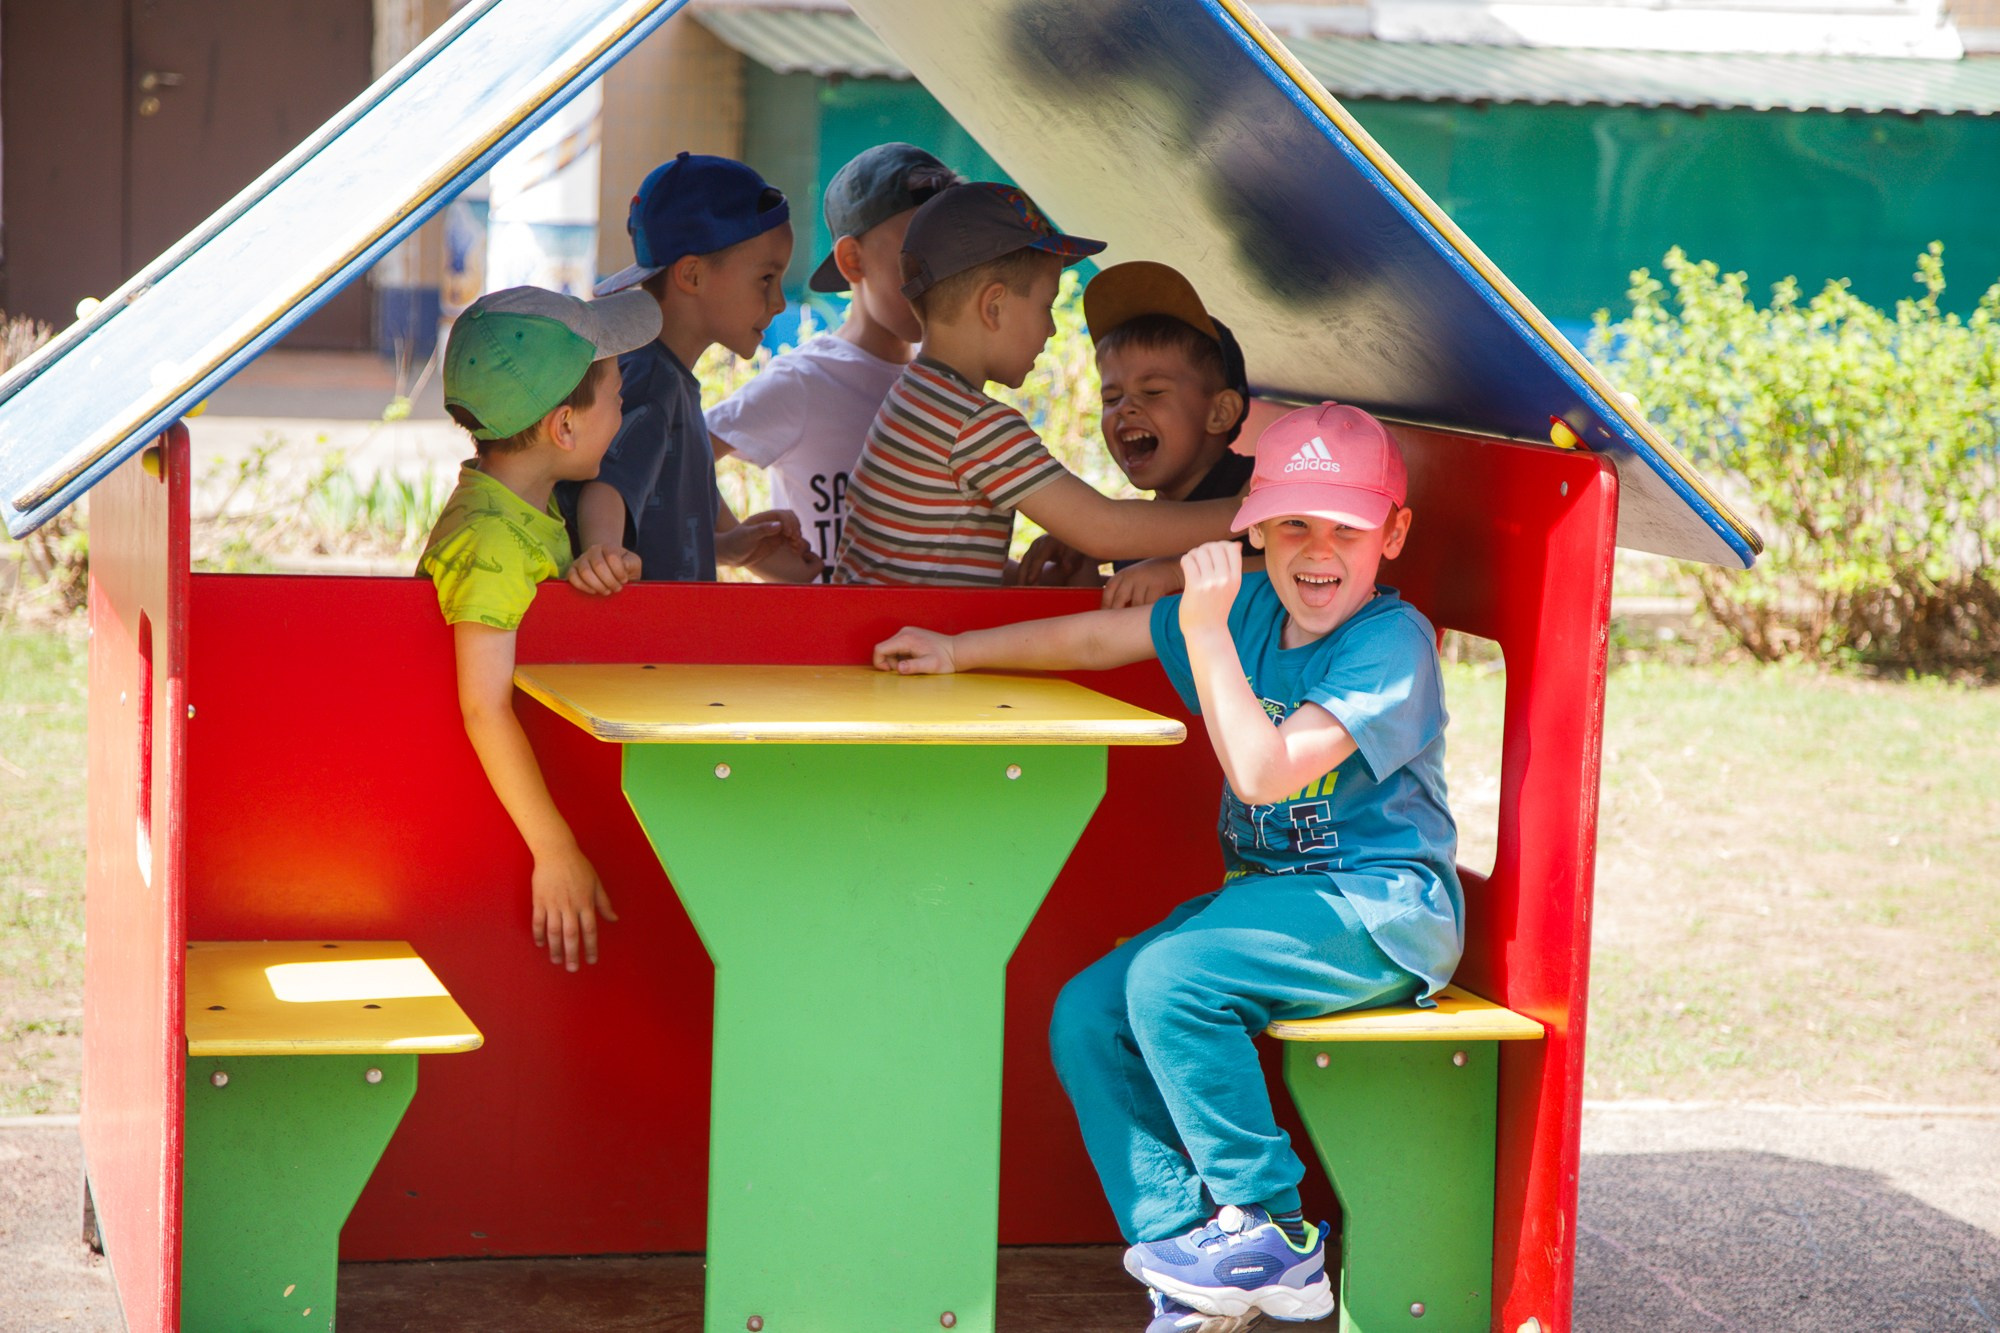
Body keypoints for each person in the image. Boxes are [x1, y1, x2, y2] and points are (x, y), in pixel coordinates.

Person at [872, 402, 1463, 1333]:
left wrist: (1211, 631)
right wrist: (957, 653)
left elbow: (1265, 773)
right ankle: (1193, 1267)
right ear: (1256, 529)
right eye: (1293, 524)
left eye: (1345, 527)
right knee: (1088, 1013)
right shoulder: (1256, 605)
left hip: (1378, 910)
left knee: (1172, 980)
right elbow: (1097, 640)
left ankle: (1276, 1229)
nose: (1317, 550)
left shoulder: (1390, 645)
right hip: (1276, 900)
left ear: (1391, 534)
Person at [419, 285, 663, 972]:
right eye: (617, 394)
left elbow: (597, 500)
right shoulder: (491, 545)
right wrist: (554, 849)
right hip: (483, 839)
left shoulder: (517, 500)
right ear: (563, 428)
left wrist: (596, 551)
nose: (622, 409)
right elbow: (483, 705)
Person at [832, 182, 1238, 586]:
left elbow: (930, 565)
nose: (1050, 328)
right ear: (993, 308)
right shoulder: (971, 423)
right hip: (906, 641)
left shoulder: (916, 397)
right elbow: (1105, 529)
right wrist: (1247, 513)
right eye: (1046, 305)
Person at [706, 143, 962, 578]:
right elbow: (679, 454)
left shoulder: (950, 384)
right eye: (917, 253)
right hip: (825, 643)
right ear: (852, 260)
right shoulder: (805, 381)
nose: (938, 274)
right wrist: (743, 549)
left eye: (952, 251)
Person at [566, 152, 815, 583]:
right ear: (693, 276)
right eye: (766, 279)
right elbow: (604, 485)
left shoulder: (667, 377)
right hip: (641, 647)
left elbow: (661, 524)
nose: (778, 303)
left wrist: (731, 548)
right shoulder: (647, 379)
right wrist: (600, 556)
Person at [1020, 260, 1256, 607]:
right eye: (1112, 398)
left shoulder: (1262, 489)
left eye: (1153, 391)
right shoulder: (1137, 538)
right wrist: (1082, 571)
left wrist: (1178, 573)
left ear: (1219, 413)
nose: (1125, 408)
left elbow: (1295, 568)